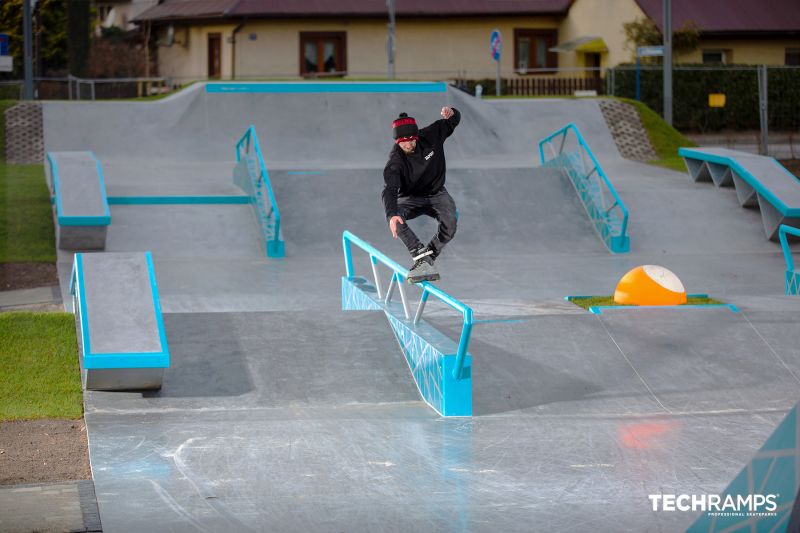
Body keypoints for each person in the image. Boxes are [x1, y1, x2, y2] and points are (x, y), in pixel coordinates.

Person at [382, 107, 461, 283]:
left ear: (417, 136)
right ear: (397, 142)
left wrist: (452, 113)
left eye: (411, 140)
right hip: (410, 198)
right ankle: (418, 253)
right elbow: (389, 189)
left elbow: (452, 122)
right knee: (395, 218)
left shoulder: (431, 135)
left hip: (436, 193)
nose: (409, 145)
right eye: (403, 142)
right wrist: (391, 214)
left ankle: (426, 260)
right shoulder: (395, 161)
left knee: (451, 224)